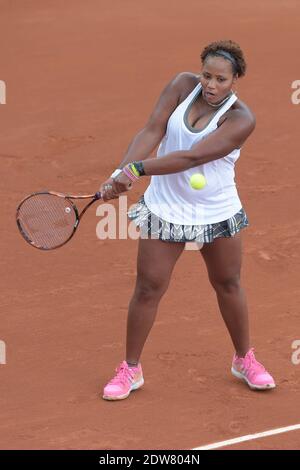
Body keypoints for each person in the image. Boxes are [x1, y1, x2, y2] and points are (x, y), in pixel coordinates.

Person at [99, 39, 275, 401]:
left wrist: (135, 170)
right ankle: (130, 369)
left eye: (220, 80)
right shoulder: (182, 85)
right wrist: (119, 170)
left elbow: (193, 158)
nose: (210, 85)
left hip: (216, 210)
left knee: (228, 283)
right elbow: (152, 130)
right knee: (149, 287)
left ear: (235, 80)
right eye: (206, 76)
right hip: (167, 205)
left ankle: (244, 359)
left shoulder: (241, 119)